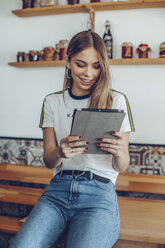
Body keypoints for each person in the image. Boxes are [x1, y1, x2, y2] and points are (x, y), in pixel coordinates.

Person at [10, 30, 135, 248]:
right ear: (67, 62)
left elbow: (122, 165)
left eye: (96, 66)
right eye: (80, 64)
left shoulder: (116, 100)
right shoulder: (52, 102)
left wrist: (119, 152)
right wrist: (60, 152)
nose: (88, 73)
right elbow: (49, 160)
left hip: (99, 195)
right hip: (57, 192)